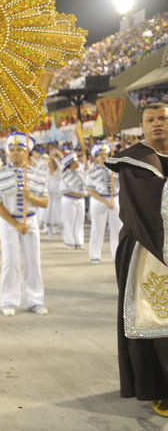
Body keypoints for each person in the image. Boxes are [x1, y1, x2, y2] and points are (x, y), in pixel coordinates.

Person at [105, 103, 168, 416]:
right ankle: (159, 388)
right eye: (150, 120)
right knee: (155, 320)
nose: (157, 123)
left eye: (163, 118)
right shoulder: (135, 162)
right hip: (149, 250)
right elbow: (147, 207)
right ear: (142, 126)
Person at [0, 133, 49, 316]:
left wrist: (31, 197)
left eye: (19, 150)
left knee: (33, 261)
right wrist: (15, 224)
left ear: (27, 152)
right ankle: (9, 301)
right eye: (12, 149)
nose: (15, 153)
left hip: (30, 220)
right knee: (11, 261)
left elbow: (45, 202)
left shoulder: (37, 174)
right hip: (8, 222)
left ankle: (35, 300)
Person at [86, 142, 122, 264]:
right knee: (97, 228)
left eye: (105, 154)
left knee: (117, 228)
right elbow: (90, 190)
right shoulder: (90, 172)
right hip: (99, 201)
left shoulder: (115, 169)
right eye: (100, 154)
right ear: (96, 157)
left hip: (115, 199)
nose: (103, 156)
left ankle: (117, 255)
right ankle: (95, 254)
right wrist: (106, 202)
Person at [59, 151, 86, 249]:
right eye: (75, 161)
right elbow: (63, 190)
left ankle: (79, 242)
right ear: (71, 163)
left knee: (79, 221)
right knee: (69, 221)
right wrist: (77, 194)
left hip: (80, 200)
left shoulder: (80, 172)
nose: (78, 162)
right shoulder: (64, 175)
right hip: (69, 200)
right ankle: (70, 242)